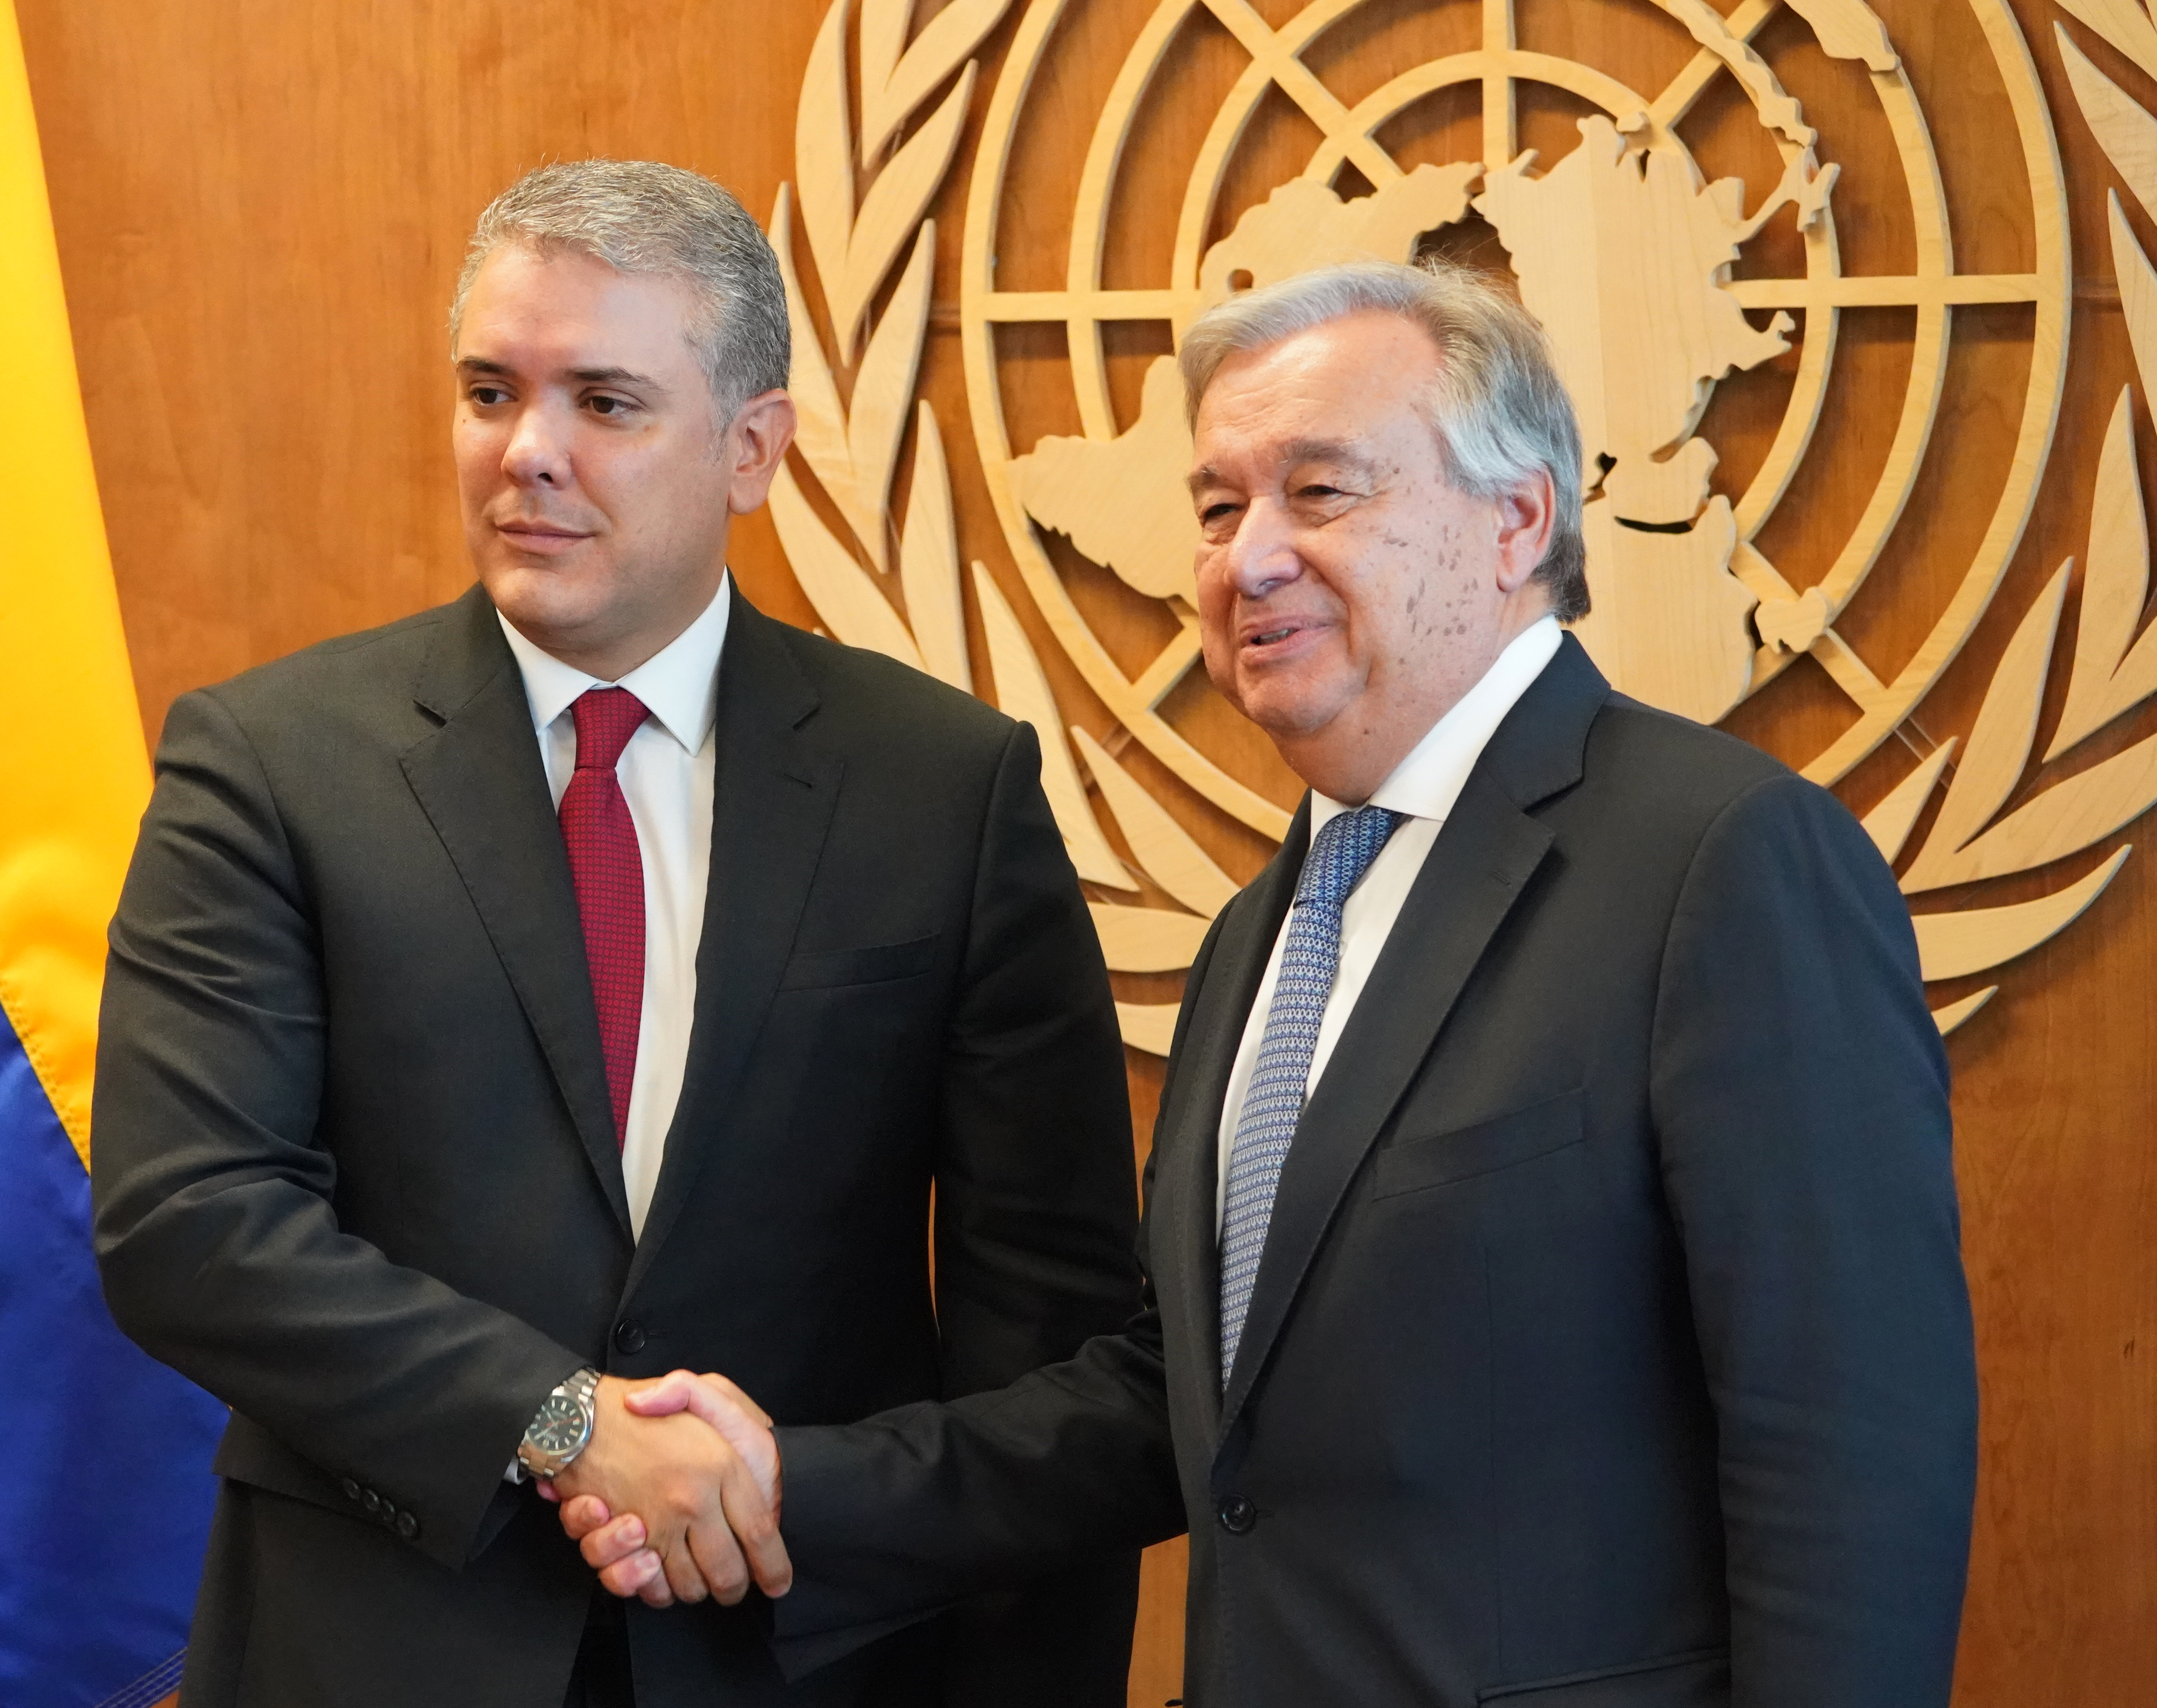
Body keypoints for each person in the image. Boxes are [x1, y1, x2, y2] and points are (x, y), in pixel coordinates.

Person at [561, 259, 1980, 1706]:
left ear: (1518, 521)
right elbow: (1170, 1401)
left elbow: (1851, 1456)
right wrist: (779, 1483)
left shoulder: (1722, 864)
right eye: (1219, 506)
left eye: (1322, 492)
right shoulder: (1265, 926)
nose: (1249, 559)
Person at [89, 159, 1144, 1708]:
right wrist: (560, 1417)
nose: (531, 454)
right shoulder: (270, 762)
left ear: (752, 449)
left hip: (799, 1656)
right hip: (383, 1646)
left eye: (605, 400)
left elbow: (1048, 1342)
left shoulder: (946, 790)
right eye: (489, 392)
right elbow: (188, 1226)